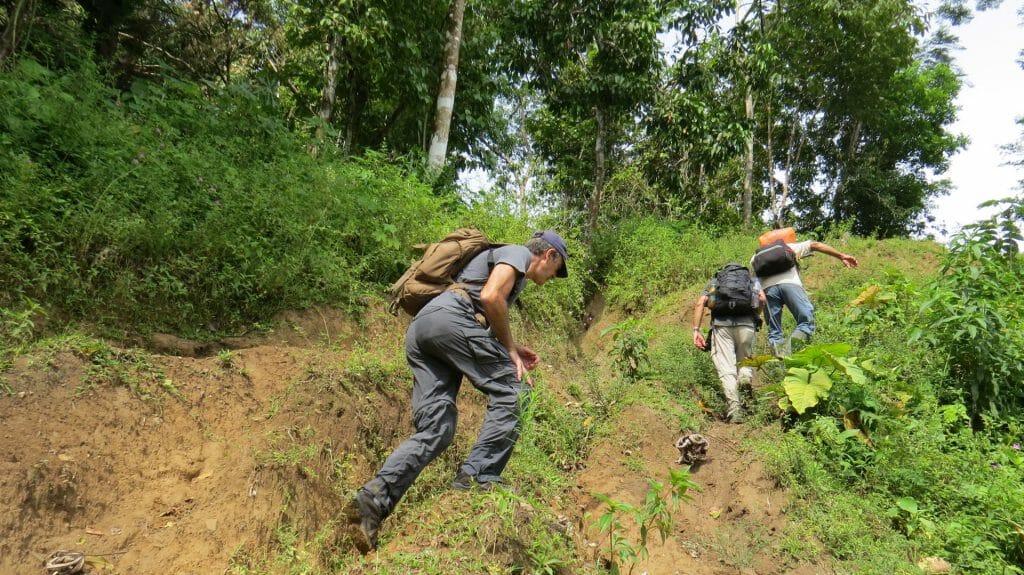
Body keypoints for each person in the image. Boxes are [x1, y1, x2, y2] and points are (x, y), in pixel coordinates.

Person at [343, 230, 570, 552]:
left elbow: (481, 309)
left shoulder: (500, 262)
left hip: (425, 327)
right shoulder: (518, 253)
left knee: (438, 428)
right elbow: (491, 297)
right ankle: (479, 476)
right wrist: (510, 351)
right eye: (557, 270)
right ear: (549, 255)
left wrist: (511, 345)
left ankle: (372, 501)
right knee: (515, 389)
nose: (553, 278)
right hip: (450, 320)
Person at [751, 236, 859, 357]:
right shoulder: (789, 247)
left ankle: (778, 362)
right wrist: (841, 256)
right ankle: (786, 354)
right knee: (807, 322)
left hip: (768, 291)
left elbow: (755, 283)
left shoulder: (756, 257)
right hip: (791, 285)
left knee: (774, 332)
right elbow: (815, 245)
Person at [692, 264, 765, 423]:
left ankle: (735, 410)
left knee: (726, 367)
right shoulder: (751, 281)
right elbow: (761, 299)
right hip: (746, 325)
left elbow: (700, 302)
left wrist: (696, 330)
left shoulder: (715, 282)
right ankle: (744, 377)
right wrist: (755, 316)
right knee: (745, 360)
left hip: (721, 326)